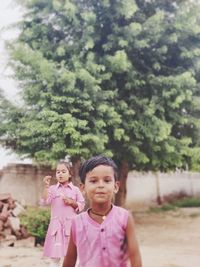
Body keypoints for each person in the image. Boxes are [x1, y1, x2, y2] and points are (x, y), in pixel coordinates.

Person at [62, 155, 142, 267]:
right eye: (93, 181)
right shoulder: (76, 222)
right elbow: (70, 259)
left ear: (116, 186)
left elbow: (134, 255)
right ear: (83, 188)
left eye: (107, 180)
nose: (101, 185)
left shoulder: (125, 218)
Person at [40, 160, 85, 267]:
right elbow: (45, 201)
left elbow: (81, 205)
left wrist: (72, 202)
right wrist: (46, 186)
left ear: (70, 174)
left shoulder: (75, 190)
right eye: (58, 172)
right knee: (54, 258)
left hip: (71, 227)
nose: (60, 174)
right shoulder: (52, 189)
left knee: (73, 256)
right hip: (56, 227)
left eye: (63, 171)